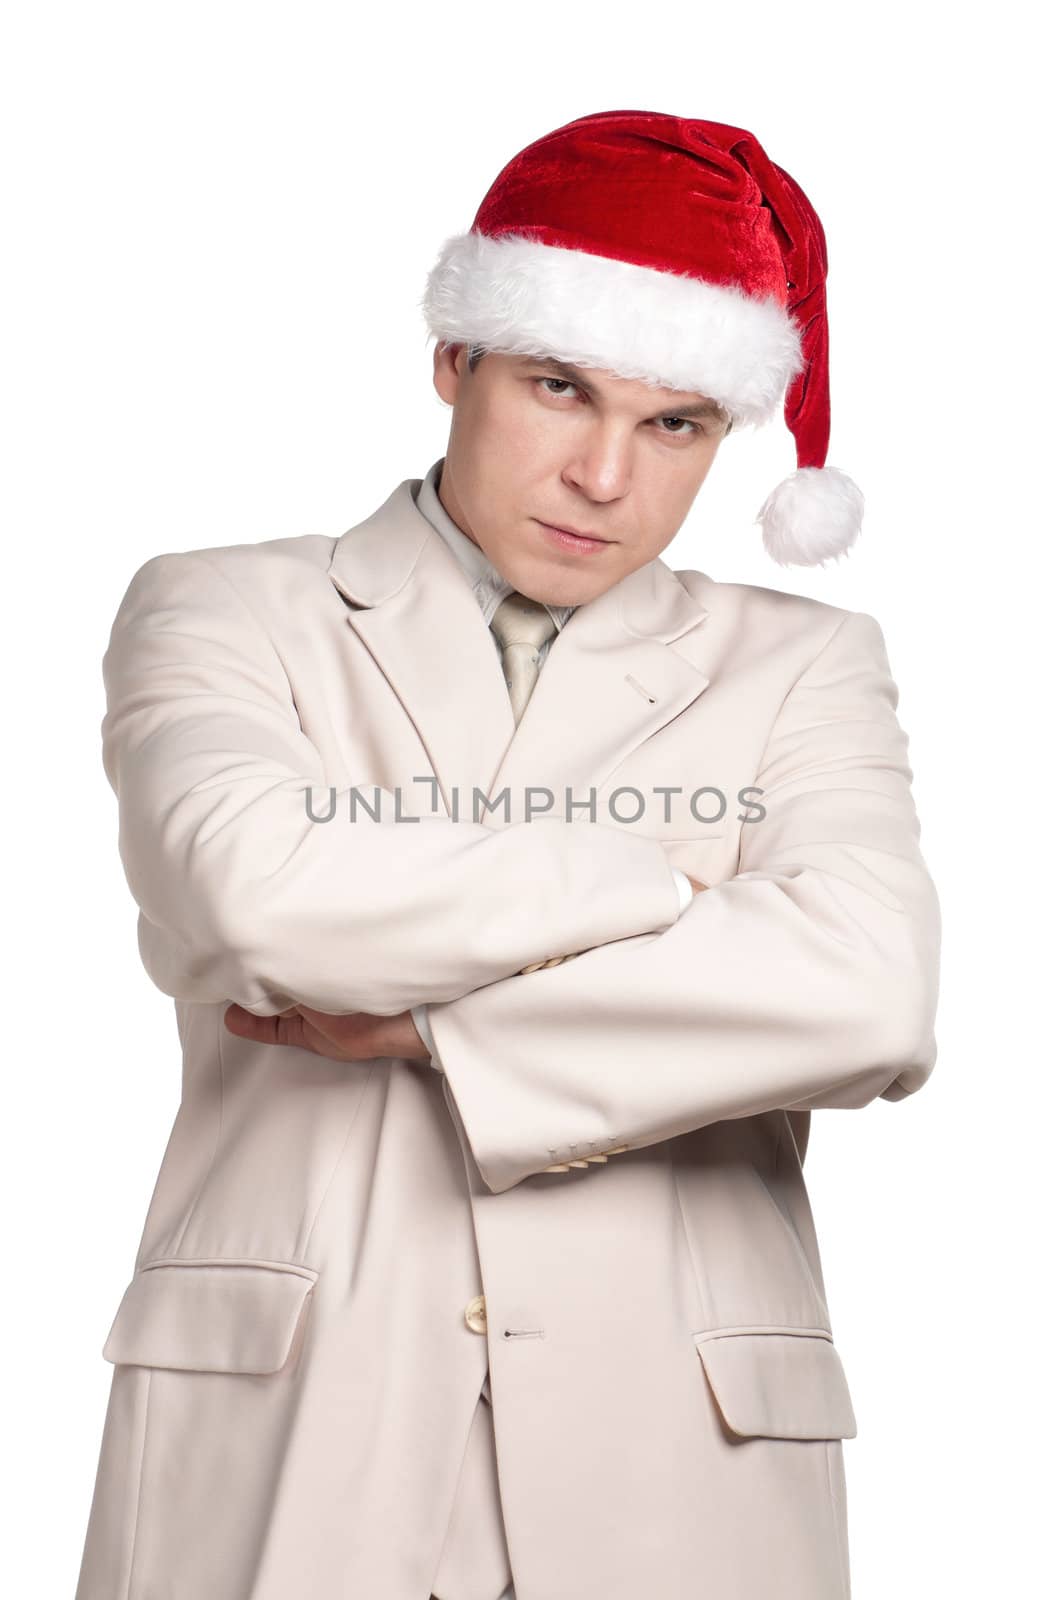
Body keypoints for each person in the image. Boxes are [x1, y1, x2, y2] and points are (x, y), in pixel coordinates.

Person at [74, 110, 941, 1600]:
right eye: (560, 388)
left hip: (677, 1465)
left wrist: (423, 1020)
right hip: (297, 1432)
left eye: (675, 425)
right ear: (452, 363)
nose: (606, 474)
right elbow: (259, 893)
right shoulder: (223, 609)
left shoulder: (807, 664)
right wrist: (663, 889)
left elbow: (871, 997)